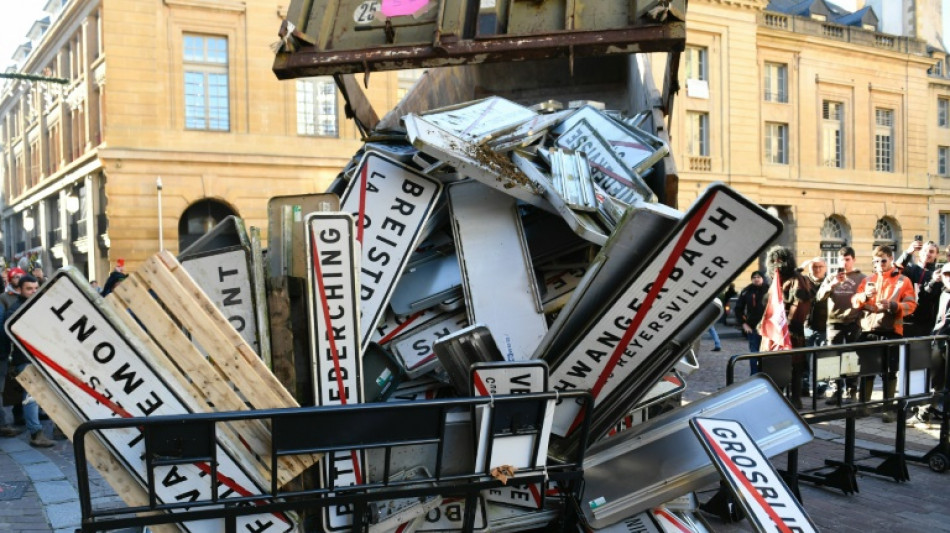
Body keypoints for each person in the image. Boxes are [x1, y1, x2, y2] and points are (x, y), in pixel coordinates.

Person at [852, 245, 917, 422]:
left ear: (891, 259)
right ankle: (863, 405)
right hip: (869, 331)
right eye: (876, 261)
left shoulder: (903, 281)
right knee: (866, 370)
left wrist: (895, 306)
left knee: (890, 371)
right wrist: (864, 296)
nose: (879, 264)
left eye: (883, 260)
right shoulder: (868, 280)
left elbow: (911, 304)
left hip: (891, 332)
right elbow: (855, 301)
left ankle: (888, 409)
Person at [3, 274, 53, 446]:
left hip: (39, 357)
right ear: (20, 290)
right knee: (31, 395)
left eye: (35, 288)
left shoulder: (37, 306)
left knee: (37, 395)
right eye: (29, 289)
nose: (33, 292)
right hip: (25, 358)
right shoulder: (16, 309)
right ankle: (35, 433)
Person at [817, 246, 866, 404]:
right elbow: (819, 297)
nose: (844, 263)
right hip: (833, 322)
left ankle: (852, 392)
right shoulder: (831, 277)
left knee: (851, 358)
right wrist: (832, 284)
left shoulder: (861, 278)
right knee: (831, 358)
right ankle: (835, 390)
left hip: (853, 322)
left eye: (847, 259)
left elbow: (867, 298)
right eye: (842, 259)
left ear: (853, 260)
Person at [765, 246, 812, 408]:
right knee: (774, 366)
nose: (777, 264)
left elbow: (800, 305)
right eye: (774, 261)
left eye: (780, 260)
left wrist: (788, 328)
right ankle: (777, 399)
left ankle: (795, 400)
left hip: (791, 333)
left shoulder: (797, 279)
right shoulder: (776, 280)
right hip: (773, 334)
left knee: (795, 368)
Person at [897, 238, 939, 337]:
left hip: (925, 323)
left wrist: (933, 281)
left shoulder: (937, 274)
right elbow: (894, 270)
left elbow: (931, 297)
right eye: (925, 250)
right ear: (919, 252)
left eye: (931, 252)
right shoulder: (910, 270)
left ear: (937, 255)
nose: (927, 253)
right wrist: (908, 252)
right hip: (904, 319)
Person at [734, 271, 768, 373]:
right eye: (754, 277)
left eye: (758, 277)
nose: (756, 279)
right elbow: (738, 309)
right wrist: (744, 324)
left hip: (767, 328)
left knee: (768, 354)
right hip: (753, 327)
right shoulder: (746, 291)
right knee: (754, 354)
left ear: (762, 278)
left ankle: (767, 375)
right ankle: (754, 376)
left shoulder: (769, 289)